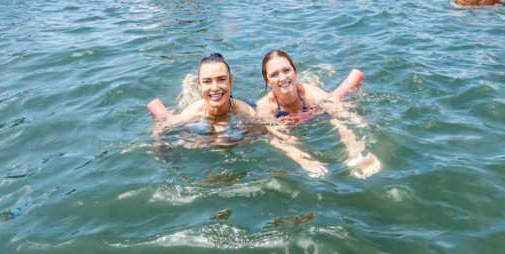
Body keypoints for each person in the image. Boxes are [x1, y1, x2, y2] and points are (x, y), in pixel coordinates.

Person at [256, 50, 381, 178]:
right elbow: (276, 140)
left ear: (295, 72)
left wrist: (358, 123)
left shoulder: (310, 93)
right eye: (274, 74)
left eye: (286, 70)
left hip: (312, 114)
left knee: (335, 120)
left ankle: (356, 156)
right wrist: (302, 160)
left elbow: (341, 114)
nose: (282, 78)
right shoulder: (264, 108)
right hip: (290, 128)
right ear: (267, 81)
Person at [152, 53, 257, 145]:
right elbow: (162, 130)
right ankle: (187, 85)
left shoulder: (248, 111)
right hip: (206, 106)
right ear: (199, 84)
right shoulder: (192, 113)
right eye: (207, 81)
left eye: (221, 79)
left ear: (230, 81)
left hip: (231, 103)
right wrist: (161, 140)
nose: (215, 87)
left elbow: (258, 133)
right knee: (189, 99)